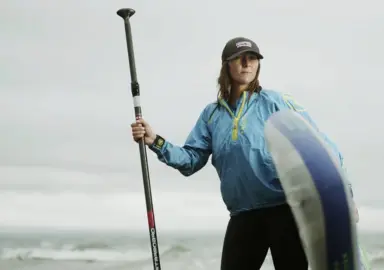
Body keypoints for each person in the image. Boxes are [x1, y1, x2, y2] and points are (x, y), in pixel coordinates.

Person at [130, 36, 358, 270]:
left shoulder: (275, 102)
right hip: (243, 216)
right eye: (240, 59)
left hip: (285, 212)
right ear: (226, 65)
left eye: (253, 58)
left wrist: (343, 192)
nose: (247, 64)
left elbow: (319, 143)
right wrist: (155, 141)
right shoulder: (212, 115)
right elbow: (190, 161)